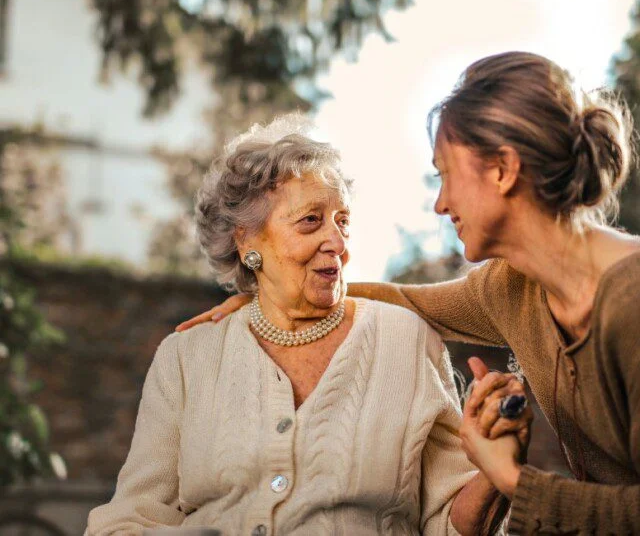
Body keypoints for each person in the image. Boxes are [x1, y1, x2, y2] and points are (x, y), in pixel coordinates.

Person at [178, 52, 640, 534]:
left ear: (503, 170)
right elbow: (408, 300)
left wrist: (510, 478)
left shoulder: (630, 303)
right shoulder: (510, 289)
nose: (441, 204)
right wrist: (276, 292)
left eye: (445, 174)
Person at [86, 116, 512, 535]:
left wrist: (495, 473)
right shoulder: (186, 358)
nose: (339, 243)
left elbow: (448, 523)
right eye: (311, 220)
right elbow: (129, 519)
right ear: (246, 240)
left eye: (342, 221)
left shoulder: (406, 342)